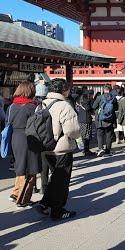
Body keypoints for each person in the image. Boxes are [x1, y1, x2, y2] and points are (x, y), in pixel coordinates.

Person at [33, 79, 81, 220]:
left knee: (54, 178)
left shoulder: (41, 104)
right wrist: (77, 137)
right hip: (61, 148)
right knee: (62, 180)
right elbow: (73, 130)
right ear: (64, 90)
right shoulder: (64, 105)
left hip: (45, 147)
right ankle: (57, 211)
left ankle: (44, 203)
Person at [7, 82, 40, 208]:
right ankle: (23, 199)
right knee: (30, 169)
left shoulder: (12, 106)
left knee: (20, 166)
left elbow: (7, 122)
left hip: (15, 137)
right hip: (28, 138)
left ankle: (16, 193)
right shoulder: (32, 107)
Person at [92, 85, 118, 157]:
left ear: (104, 90)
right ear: (110, 90)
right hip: (110, 120)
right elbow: (116, 108)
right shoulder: (114, 98)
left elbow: (94, 106)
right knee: (109, 135)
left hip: (100, 120)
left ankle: (100, 149)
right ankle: (108, 151)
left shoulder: (99, 97)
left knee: (100, 134)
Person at [75, 91, 94, 157]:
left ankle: (84, 150)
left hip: (80, 119)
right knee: (87, 136)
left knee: (83, 135)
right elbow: (88, 109)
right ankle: (86, 150)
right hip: (86, 120)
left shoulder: (79, 101)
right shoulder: (87, 101)